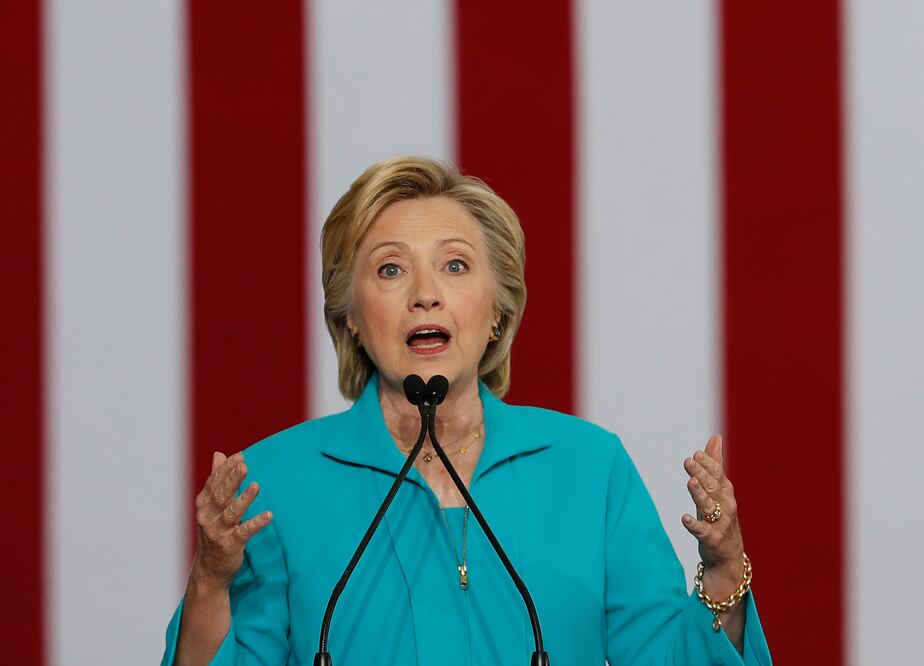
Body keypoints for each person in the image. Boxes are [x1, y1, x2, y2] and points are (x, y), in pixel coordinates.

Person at [162, 156, 772, 665]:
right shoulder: (273, 484)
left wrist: (723, 570)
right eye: (391, 269)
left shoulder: (589, 468)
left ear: (498, 309)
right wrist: (212, 578)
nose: (425, 292)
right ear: (350, 312)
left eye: (455, 265)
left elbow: (667, 656)